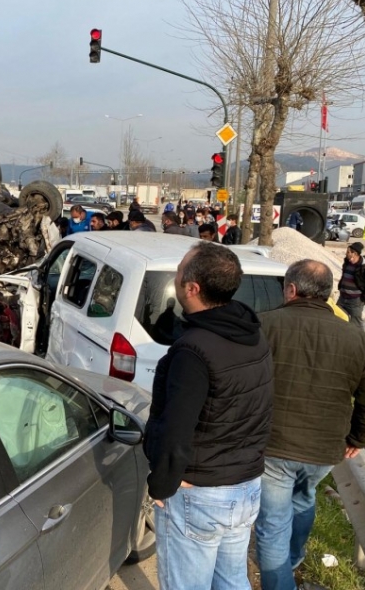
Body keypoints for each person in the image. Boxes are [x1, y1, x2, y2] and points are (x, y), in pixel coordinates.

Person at [144, 242, 273, 590]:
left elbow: (177, 429)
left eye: (179, 271)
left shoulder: (194, 350)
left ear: (191, 288)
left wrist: (162, 483)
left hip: (201, 494)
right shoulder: (253, 334)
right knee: (232, 581)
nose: (176, 276)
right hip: (245, 487)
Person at [256, 260, 365, 590]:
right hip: (326, 449)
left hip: (273, 445)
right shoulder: (354, 337)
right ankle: (294, 558)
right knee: (303, 499)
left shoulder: (264, 325)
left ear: (292, 289)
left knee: (272, 525)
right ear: (328, 293)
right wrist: (359, 438)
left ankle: (281, 579)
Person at [337, 242, 365, 329]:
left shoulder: (364, 267)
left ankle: (361, 341)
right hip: (342, 298)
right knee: (338, 318)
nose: (346, 253)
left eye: (348, 252)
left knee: (356, 324)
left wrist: (364, 297)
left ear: (355, 253)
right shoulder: (347, 262)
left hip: (355, 301)